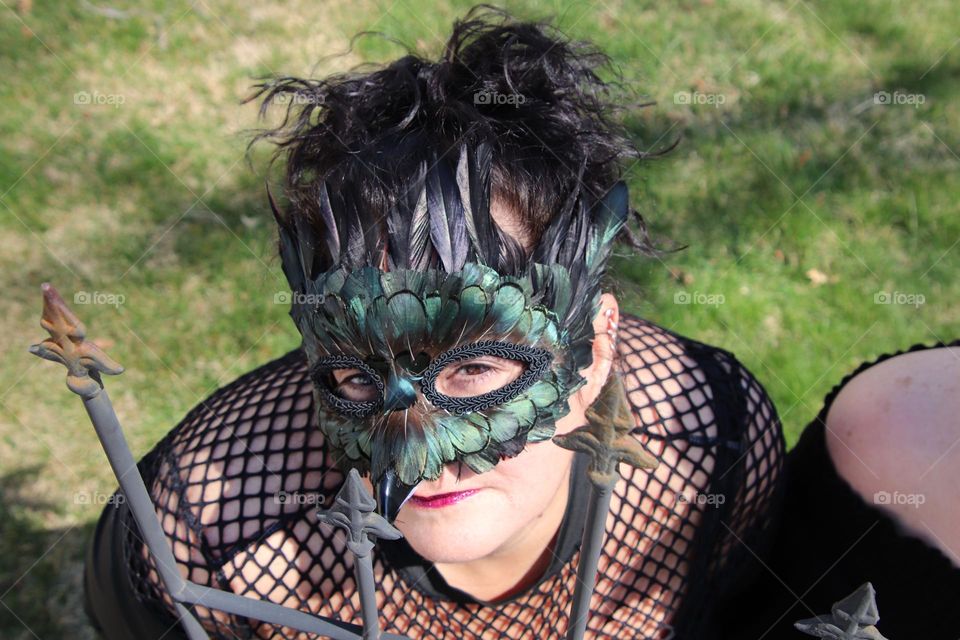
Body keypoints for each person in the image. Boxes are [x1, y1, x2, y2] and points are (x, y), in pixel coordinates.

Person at [82, 7, 959, 640]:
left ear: (596, 344)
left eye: (474, 370)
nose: (416, 447)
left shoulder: (706, 453)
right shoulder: (211, 545)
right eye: (355, 376)